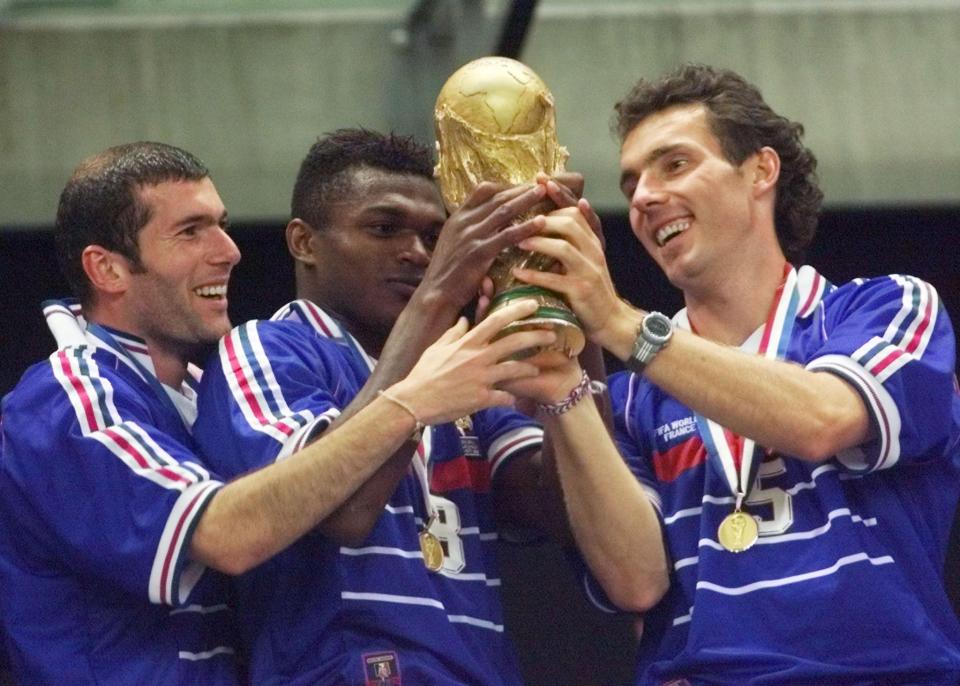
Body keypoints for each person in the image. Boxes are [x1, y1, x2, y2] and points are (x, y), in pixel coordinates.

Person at [0, 141, 543, 685]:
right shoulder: (68, 398)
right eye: (191, 231)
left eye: (222, 224)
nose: (230, 250)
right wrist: (409, 399)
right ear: (108, 269)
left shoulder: (189, 392)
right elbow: (230, 535)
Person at [507, 64, 960, 684]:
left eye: (674, 164)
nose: (642, 197)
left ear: (761, 171)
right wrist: (564, 386)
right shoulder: (633, 398)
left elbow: (821, 419)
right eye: (632, 181)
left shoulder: (887, 310)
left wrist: (617, 322)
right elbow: (637, 583)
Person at [190, 128, 586, 685]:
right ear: (304, 242)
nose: (418, 253)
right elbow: (343, 511)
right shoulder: (268, 348)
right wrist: (439, 295)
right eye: (384, 228)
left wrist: (576, 314)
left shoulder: (459, 361)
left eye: (434, 235)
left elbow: (570, 514)